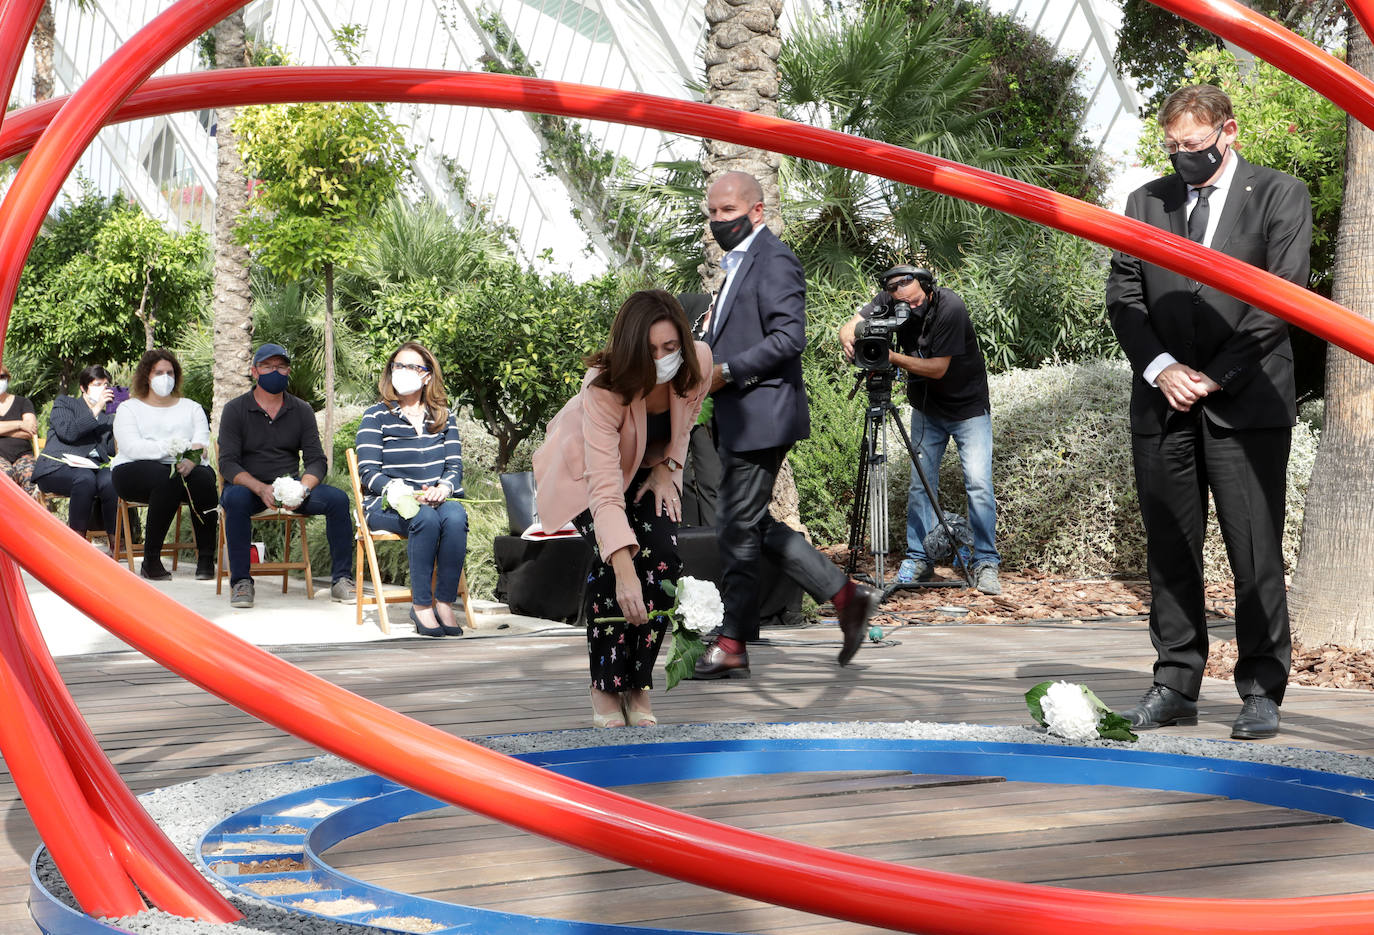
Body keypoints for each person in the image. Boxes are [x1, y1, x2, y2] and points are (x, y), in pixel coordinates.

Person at [1106, 84, 1312, 741]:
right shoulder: (1147, 202)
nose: (1181, 159)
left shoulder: (1279, 193)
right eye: (1171, 148)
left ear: (1229, 132)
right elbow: (1125, 294)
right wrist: (1163, 369)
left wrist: (1215, 376)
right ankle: (1174, 681)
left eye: (1192, 146)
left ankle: (1259, 688)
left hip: (1246, 402)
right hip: (1163, 402)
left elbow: (1284, 296)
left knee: (1254, 552)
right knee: (1170, 549)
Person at [692, 170, 877, 680]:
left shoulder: (773, 259)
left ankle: (733, 642)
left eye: (727, 211)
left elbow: (789, 338)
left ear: (756, 211)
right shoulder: (739, 264)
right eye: (711, 212)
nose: (717, 220)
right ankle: (844, 597)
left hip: (761, 414)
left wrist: (726, 372)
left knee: (735, 525)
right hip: (742, 414)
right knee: (749, 523)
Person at [534, 290, 712, 727]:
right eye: (650, 351)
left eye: (670, 348)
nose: (663, 358)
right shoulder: (604, 386)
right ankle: (606, 686)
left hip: (646, 466)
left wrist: (668, 469)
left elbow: (685, 423)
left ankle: (639, 684)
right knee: (617, 564)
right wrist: (624, 569)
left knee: (665, 559)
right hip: (587, 475)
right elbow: (605, 489)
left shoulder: (699, 362)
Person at [838, 266, 1001, 594]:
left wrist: (890, 356)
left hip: (968, 409)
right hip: (927, 410)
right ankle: (920, 559)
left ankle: (985, 562)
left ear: (926, 287)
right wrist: (850, 338)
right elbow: (851, 323)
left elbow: (938, 369)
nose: (908, 305)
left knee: (979, 485)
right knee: (920, 486)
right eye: (900, 299)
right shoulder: (891, 298)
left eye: (913, 300)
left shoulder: (950, 306)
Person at [217, 343, 355, 609]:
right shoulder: (235, 410)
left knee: (338, 499)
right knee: (233, 500)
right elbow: (228, 464)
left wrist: (301, 489)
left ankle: (341, 580)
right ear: (254, 371)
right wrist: (260, 489)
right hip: (251, 490)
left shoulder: (301, 410)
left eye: (280, 367)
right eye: (268, 367)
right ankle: (241, 581)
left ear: (288, 371)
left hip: (291, 489)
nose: (274, 372)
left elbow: (317, 460)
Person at [356, 342, 468, 638]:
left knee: (456, 516)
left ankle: (444, 602)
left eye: (411, 367)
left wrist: (444, 488)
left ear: (427, 376)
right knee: (425, 519)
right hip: (387, 505)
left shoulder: (443, 417)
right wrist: (396, 489)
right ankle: (420, 606)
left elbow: (454, 468)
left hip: (436, 501)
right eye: (398, 366)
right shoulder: (375, 416)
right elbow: (368, 472)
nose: (403, 372)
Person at [110, 349, 219, 580]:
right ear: (146, 376)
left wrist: (191, 458)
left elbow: (201, 442)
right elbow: (132, 447)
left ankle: (207, 558)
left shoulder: (191, 407)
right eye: (159, 372)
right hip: (134, 469)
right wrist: (172, 450)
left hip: (186, 467)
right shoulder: (129, 408)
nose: (165, 377)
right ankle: (151, 560)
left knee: (205, 479)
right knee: (166, 478)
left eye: (170, 372)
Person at [34, 365, 121, 549]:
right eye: (97, 384)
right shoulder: (65, 403)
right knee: (84, 479)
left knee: (112, 480)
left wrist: (123, 421)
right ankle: (77, 546)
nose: (103, 389)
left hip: (94, 468)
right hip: (57, 466)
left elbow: (111, 450)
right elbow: (69, 432)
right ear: (83, 387)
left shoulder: (109, 417)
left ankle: (116, 544)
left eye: (106, 385)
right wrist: (96, 409)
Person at [0, 364, 38, 497]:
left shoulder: (23, 402)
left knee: (32, 477)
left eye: (2, 377)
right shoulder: (20, 423)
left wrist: (3, 429)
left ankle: (35, 516)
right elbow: (25, 426)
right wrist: (19, 424)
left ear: (8, 379)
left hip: (23, 456)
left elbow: (31, 431)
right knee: (4, 477)